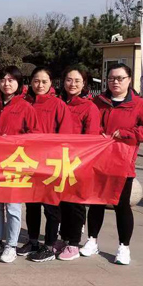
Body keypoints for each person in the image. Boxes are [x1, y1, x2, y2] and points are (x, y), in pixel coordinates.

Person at [82, 64, 143, 265]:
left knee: (122, 205)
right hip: (98, 161)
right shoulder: (98, 102)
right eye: (111, 78)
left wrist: (127, 134)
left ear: (129, 80)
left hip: (123, 163)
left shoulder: (140, 105)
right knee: (96, 202)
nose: (115, 82)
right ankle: (92, 240)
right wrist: (97, 134)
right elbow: (88, 124)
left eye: (120, 78)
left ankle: (124, 246)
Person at [0, 65, 39, 263]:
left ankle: (11, 245)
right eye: (3, 80)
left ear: (19, 83)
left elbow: (34, 135)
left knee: (13, 207)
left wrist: (14, 141)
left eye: (11, 80)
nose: (6, 84)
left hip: (15, 164)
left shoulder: (26, 107)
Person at [21, 66, 73, 262]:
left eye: (44, 81)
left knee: (51, 207)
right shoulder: (24, 103)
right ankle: (32, 240)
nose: (40, 85)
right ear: (30, 82)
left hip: (51, 163)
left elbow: (66, 136)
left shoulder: (58, 105)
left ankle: (50, 245)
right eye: (36, 81)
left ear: (51, 83)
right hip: (29, 162)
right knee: (32, 205)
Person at [57, 65, 101, 261]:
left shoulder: (89, 107)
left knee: (75, 203)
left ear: (84, 84)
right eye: (69, 80)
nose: (72, 84)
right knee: (61, 202)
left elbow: (91, 138)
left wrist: (81, 160)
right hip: (57, 160)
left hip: (77, 162)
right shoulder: (58, 103)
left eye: (77, 81)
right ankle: (64, 238)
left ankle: (74, 243)